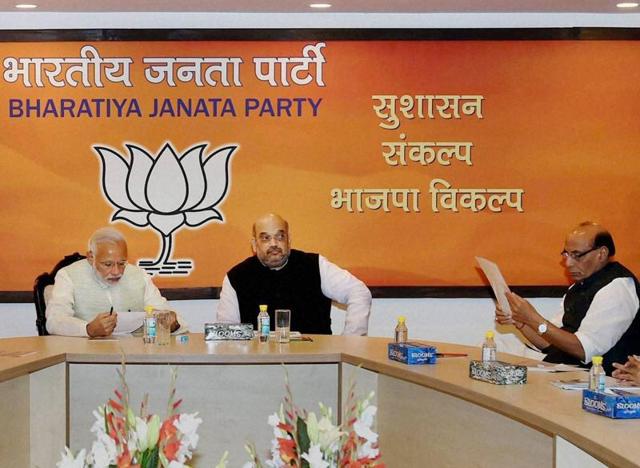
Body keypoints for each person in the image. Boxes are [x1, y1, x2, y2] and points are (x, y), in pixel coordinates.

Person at [495, 222, 640, 375]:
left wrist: (533, 318)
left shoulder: (617, 287)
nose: (568, 263)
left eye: (577, 255)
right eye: (566, 255)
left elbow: (584, 350)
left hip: (599, 385)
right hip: (567, 373)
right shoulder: (579, 286)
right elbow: (550, 342)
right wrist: (521, 322)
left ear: (601, 254)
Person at [216, 213, 372, 335]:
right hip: (259, 367)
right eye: (265, 238)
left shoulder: (315, 265)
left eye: (280, 236)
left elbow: (359, 292)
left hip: (315, 366)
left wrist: (351, 342)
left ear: (289, 240)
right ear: (254, 244)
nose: (274, 244)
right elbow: (226, 331)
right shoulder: (236, 277)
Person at [46, 227, 182, 337]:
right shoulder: (68, 275)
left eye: (122, 263)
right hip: (88, 360)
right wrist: (87, 329)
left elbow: (165, 312)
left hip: (136, 358)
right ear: (90, 257)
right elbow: (54, 321)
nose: (117, 271)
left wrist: (171, 323)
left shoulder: (139, 275)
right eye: (108, 264)